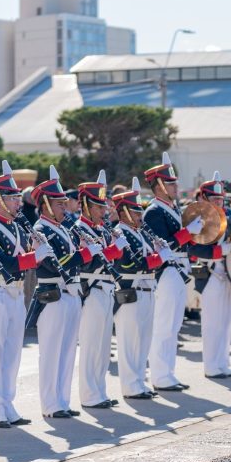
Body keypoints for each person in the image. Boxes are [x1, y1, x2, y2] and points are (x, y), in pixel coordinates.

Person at [0, 160, 46, 428]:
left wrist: (35, 252)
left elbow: (21, 260)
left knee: (12, 354)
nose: (18, 202)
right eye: (12, 198)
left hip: (15, 293)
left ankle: (7, 403)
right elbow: (2, 263)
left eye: (17, 197)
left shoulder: (16, 226)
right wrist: (32, 257)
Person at [27, 166, 98, 418]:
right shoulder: (40, 230)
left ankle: (63, 401)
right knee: (51, 353)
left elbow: (76, 263)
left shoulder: (64, 228)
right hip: (53, 295)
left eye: (64, 204)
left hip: (71, 293)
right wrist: (83, 254)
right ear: (45, 204)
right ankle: (50, 404)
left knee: (67, 352)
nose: (64, 209)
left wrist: (90, 252)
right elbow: (52, 263)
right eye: (59, 204)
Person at [143, 152, 203, 392]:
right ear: (159, 185)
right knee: (164, 324)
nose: (175, 187)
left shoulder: (172, 209)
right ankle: (160, 375)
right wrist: (187, 233)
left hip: (178, 269)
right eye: (170, 183)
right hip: (166, 271)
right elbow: (163, 245)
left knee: (174, 325)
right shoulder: (154, 212)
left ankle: (168, 373)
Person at [73, 171, 128, 409]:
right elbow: (87, 263)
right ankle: (89, 394)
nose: (103, 211)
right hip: (92, 288)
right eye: (98, 206)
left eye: (104, 206)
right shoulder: (79, 228)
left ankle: (99, 391)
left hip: (106, 289)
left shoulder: (103, 229)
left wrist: (118, 248)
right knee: (91, 344)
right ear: (86, 205)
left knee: (104, 346)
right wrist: (114, 250)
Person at [111, 179, 171, 399]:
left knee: (143, 340)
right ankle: (130, 386)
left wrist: (159, 253)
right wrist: (157, 258)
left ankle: (139, 381)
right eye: (136, 211)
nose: (140, 215)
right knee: (130, 341)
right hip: (131, 290)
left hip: (147, 289)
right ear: (124, 212)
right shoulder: (120, 232)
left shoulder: (140, 232)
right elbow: (128, 264)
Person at [188, 172, 231, 378]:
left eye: (220, 198)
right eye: (214, 198)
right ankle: (211, 366)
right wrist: (218, 251)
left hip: (228, 272)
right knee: (212, 323)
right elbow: (193, 248)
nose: (219, 201)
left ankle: (223, 362)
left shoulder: (229, 216)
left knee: (227, 321)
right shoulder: (196, 219)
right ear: (203, 198)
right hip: (209, 272)